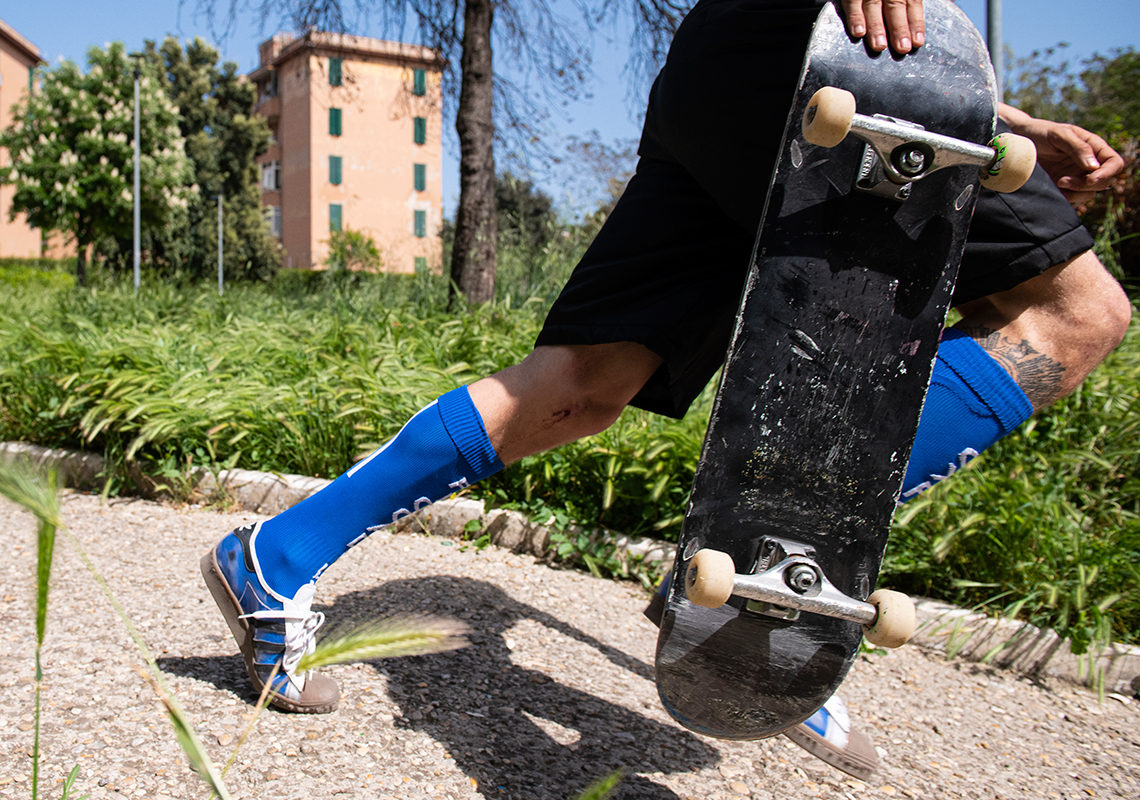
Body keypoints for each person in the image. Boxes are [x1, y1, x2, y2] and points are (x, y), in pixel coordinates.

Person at [200, 0, 1131, 783]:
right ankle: (760, 577)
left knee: (585, 383)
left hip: (735, 57)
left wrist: (991, 118)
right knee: (1074, 314)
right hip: (820, 55)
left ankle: (275, 555)